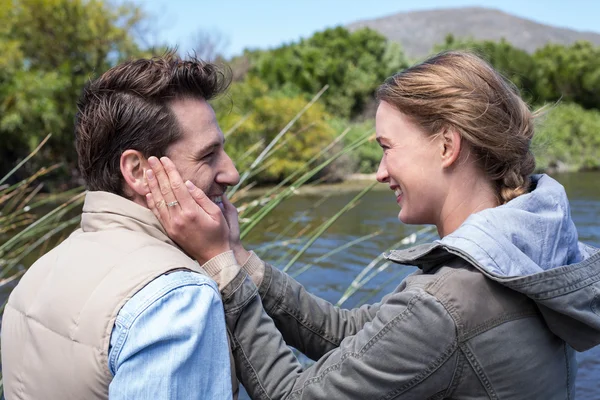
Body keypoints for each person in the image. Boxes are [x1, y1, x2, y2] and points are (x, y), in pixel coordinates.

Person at [144, 51, 600, 399]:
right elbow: (357, 335)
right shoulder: (531, 257)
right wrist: (243, 261)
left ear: (447, 146)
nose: (380, 172)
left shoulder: (451, 303)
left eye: (387, 146)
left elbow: (294, 394)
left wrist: (217, 264)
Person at [1, 52, 243, 399]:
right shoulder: (177, 299)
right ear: (138, 171)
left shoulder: (36, 275)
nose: (231, 173)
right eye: (208, 155)